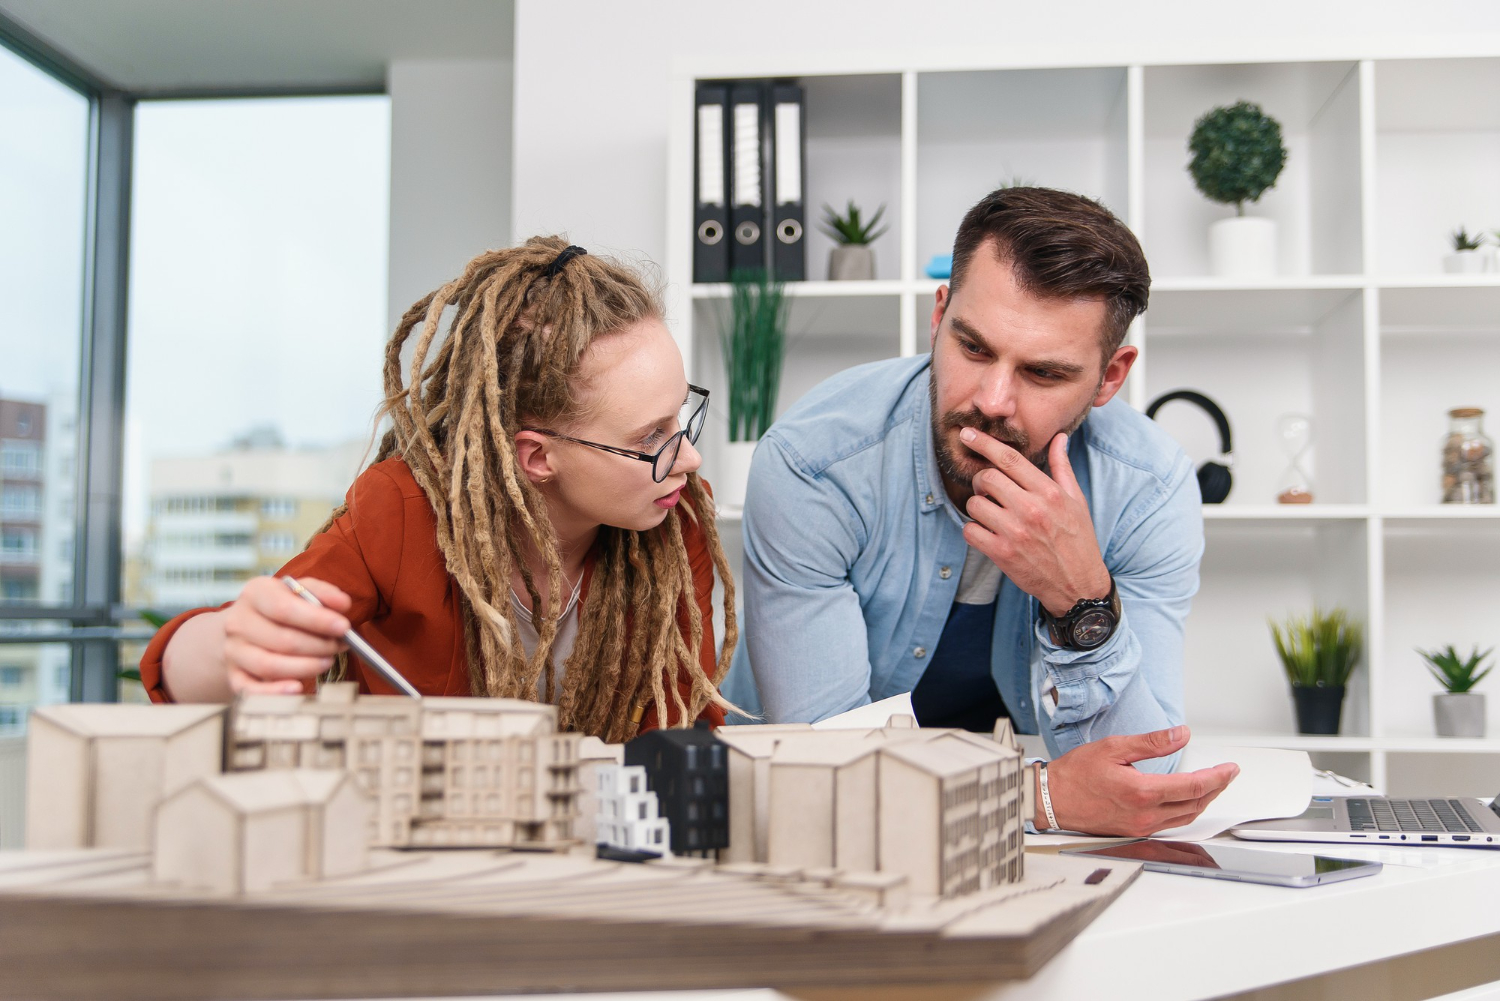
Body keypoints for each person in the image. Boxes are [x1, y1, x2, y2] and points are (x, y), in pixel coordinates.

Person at [724, 186, 1237, 835]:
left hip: (1017, 856)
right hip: (803, 833)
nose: (993, 400)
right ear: (940, 314)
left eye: (1043, 374)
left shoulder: (1149, 486)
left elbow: (1145, 780)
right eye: (973, 347)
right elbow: (828, 771)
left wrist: (1082, 600)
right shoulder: (816, 464)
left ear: (1110, 376)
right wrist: (1037, 796)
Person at [141, 237, 737, 742]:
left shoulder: (673, 514)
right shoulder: (401, 511)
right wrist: (230, 645)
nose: (688, 455)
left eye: (681, 417)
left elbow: (686, 738)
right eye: (651, 436)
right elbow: (187, 670)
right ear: (537, 457)